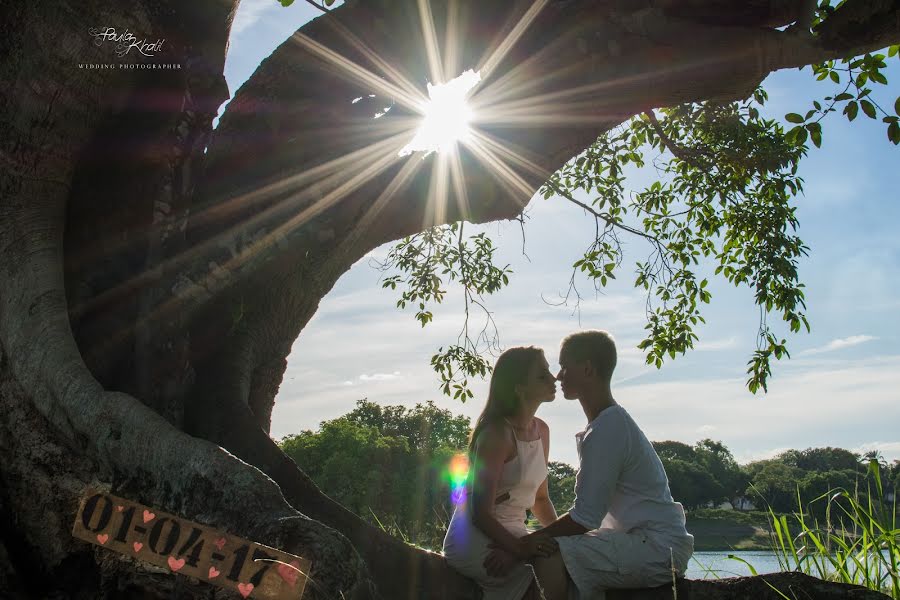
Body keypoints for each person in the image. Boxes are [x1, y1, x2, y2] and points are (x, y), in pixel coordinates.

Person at [492, 330, 694, 600]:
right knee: (551, 545)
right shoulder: (605, 426)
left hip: (656, 548)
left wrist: (521, 546)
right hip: (643, 543)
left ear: (587, 369)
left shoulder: (608, 428)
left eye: (564, 367)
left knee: (548, 552)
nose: (558, 376)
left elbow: (584, 518)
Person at [443, 346, 560, 599]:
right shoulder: (497, 434)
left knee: (565, 560)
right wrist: (518, 550)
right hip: (477, 537)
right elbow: (480, 513)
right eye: (542, 375)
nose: (554, 378)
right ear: (519, 388)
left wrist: (562, 538)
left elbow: (540, 499)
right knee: (541, 577)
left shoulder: (543, 430)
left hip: (515, 534)